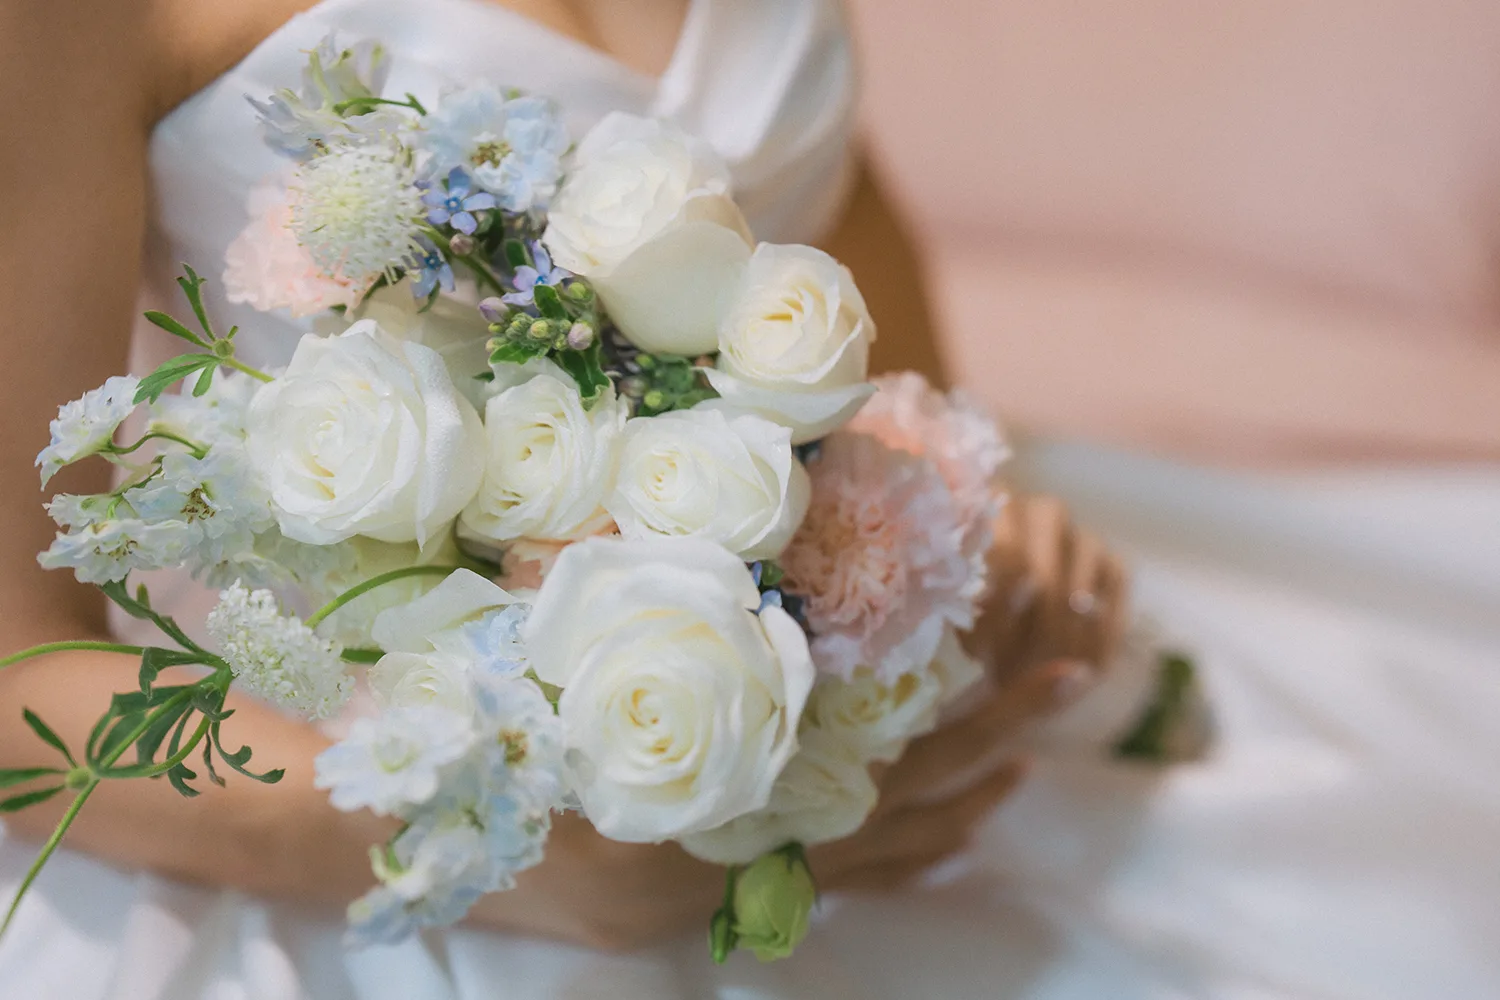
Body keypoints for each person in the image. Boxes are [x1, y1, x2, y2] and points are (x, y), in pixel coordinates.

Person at [0, 1, 1128, 996]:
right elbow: (12, 682)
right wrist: (484, 849)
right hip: (318, 816)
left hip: (783, 753)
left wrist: (951, 524)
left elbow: (844, 279)